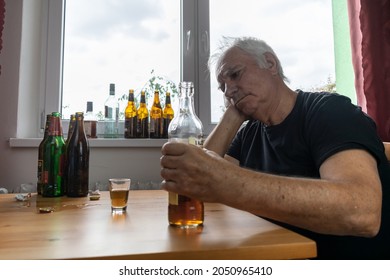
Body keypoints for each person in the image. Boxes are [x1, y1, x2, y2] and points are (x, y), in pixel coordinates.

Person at [160, 37, 390, 259]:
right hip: (282, 257)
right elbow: (197, 183)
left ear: (270, 64)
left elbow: (362, 213)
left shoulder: (328, 111)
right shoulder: (250, 131)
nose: (228, 90)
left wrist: (230, 183)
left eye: (235, 75)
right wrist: (233, 115)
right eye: (222, 87)